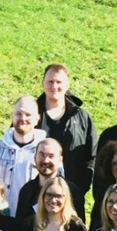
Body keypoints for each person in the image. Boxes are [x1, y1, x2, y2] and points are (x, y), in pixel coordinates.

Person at [36, 63, 98, 196]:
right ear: (43, 83)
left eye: (59, 82)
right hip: (36, 192)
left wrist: (81, 186)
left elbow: (92, 156)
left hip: (72, 193)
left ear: (67, 85)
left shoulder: (81, 117)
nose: (54, 86)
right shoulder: (31, 114)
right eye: (50, 82)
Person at [0, 95, 47, 217]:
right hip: (0, 218)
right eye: (19, 113)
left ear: (37, 119)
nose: (23, 118)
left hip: (33, 220)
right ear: (12, 116)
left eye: (28, 114)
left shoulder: (46, 152)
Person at [15, 139, 86, 221]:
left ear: (60, 160)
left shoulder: (72, 192)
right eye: (42, 155)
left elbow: (78, 228)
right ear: (35, 157)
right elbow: (19, 227)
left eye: (51, 156)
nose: (46, 161)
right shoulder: (26, 190)